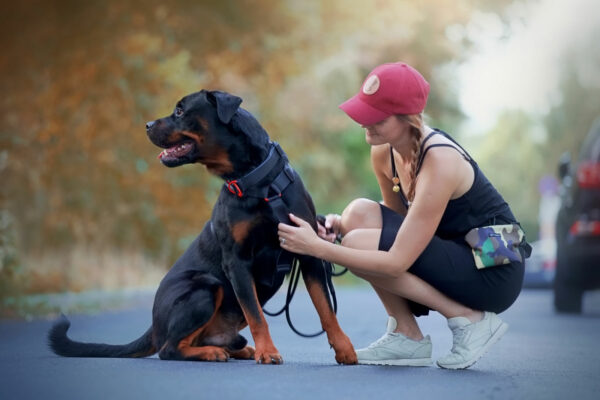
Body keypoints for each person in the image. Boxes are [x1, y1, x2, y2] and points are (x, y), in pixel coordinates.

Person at [277, 62, 528, 369]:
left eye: (375, 117)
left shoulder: (439, 159)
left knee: (356, 244)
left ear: (407, 119)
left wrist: (318, 248)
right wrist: (337, 226)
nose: (364, 123)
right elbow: (395, 224)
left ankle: (470, 321)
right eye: (363, 112)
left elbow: (397, 260)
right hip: (454, 249)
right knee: (356, 215)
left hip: (495, 265)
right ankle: (407, 336)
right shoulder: (384, 150)